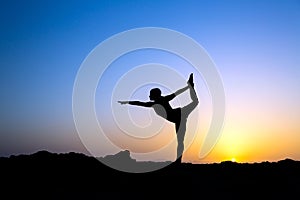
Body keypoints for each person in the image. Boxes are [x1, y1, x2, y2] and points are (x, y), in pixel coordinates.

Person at [118, 73, 199, 163]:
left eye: (151, 95)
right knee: (195, 102)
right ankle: (191, 85)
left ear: (155, 95)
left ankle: (178, 161)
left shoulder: (156, 103)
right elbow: (140, 102)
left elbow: (140, 103)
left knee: (180, 141)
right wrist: (188, 87)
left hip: (179, 116)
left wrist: (126, 102)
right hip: (179, 116)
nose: (149, 96)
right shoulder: (158, 101)